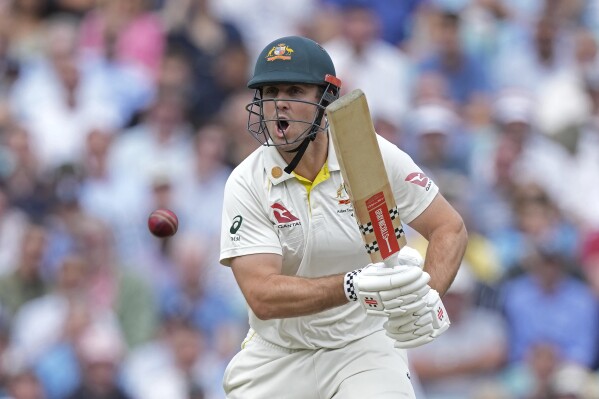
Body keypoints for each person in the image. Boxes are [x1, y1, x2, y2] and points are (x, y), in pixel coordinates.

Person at [219, 35, 468, 398]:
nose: (279, 105)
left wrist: (427, 294)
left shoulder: (370, 156)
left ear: (326, 99)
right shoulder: (247, 181)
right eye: (270, 92)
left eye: (294, 91)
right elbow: (262, 295)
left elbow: (449, 227)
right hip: (279, 354)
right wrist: (352, 285)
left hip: (363, 346)